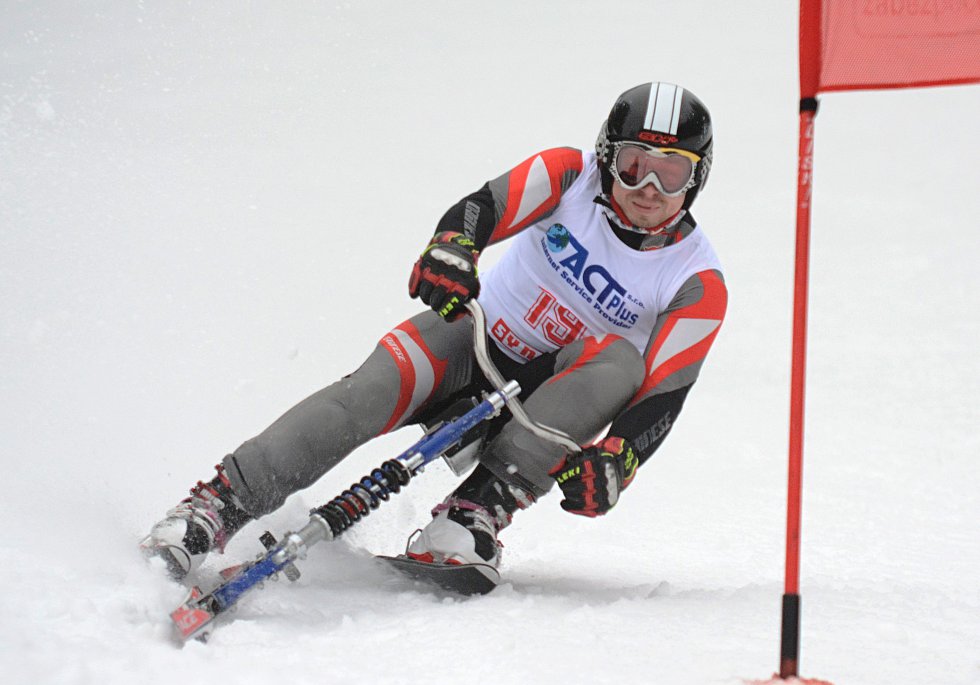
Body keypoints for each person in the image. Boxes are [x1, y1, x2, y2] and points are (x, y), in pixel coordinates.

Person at [140, 82, 728, 583]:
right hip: (471, 345)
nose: (649, 187)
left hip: (548, 402)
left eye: (672, 172)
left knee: (622, 362)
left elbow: (664, 393)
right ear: (606, 156)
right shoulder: (568, 174)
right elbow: (483, 208)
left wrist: (619, 459)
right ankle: (215, 506)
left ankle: (473, 514)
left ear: (696, 180)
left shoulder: (696, 279)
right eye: (634, 163)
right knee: (365, 394)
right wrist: (453, 249)